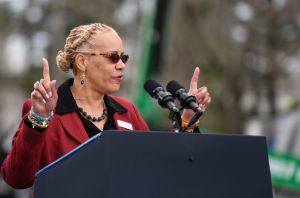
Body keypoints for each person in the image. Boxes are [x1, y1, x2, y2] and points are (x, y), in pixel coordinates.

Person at [1, 23, 211, 189]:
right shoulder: (46, 111)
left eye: (124, 57)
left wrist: (187, 119)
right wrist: (39, 117)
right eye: (113, 57)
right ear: (82, 62)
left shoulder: (128, 112)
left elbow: (161, 171)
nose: (121, 65)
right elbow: (17, 178)